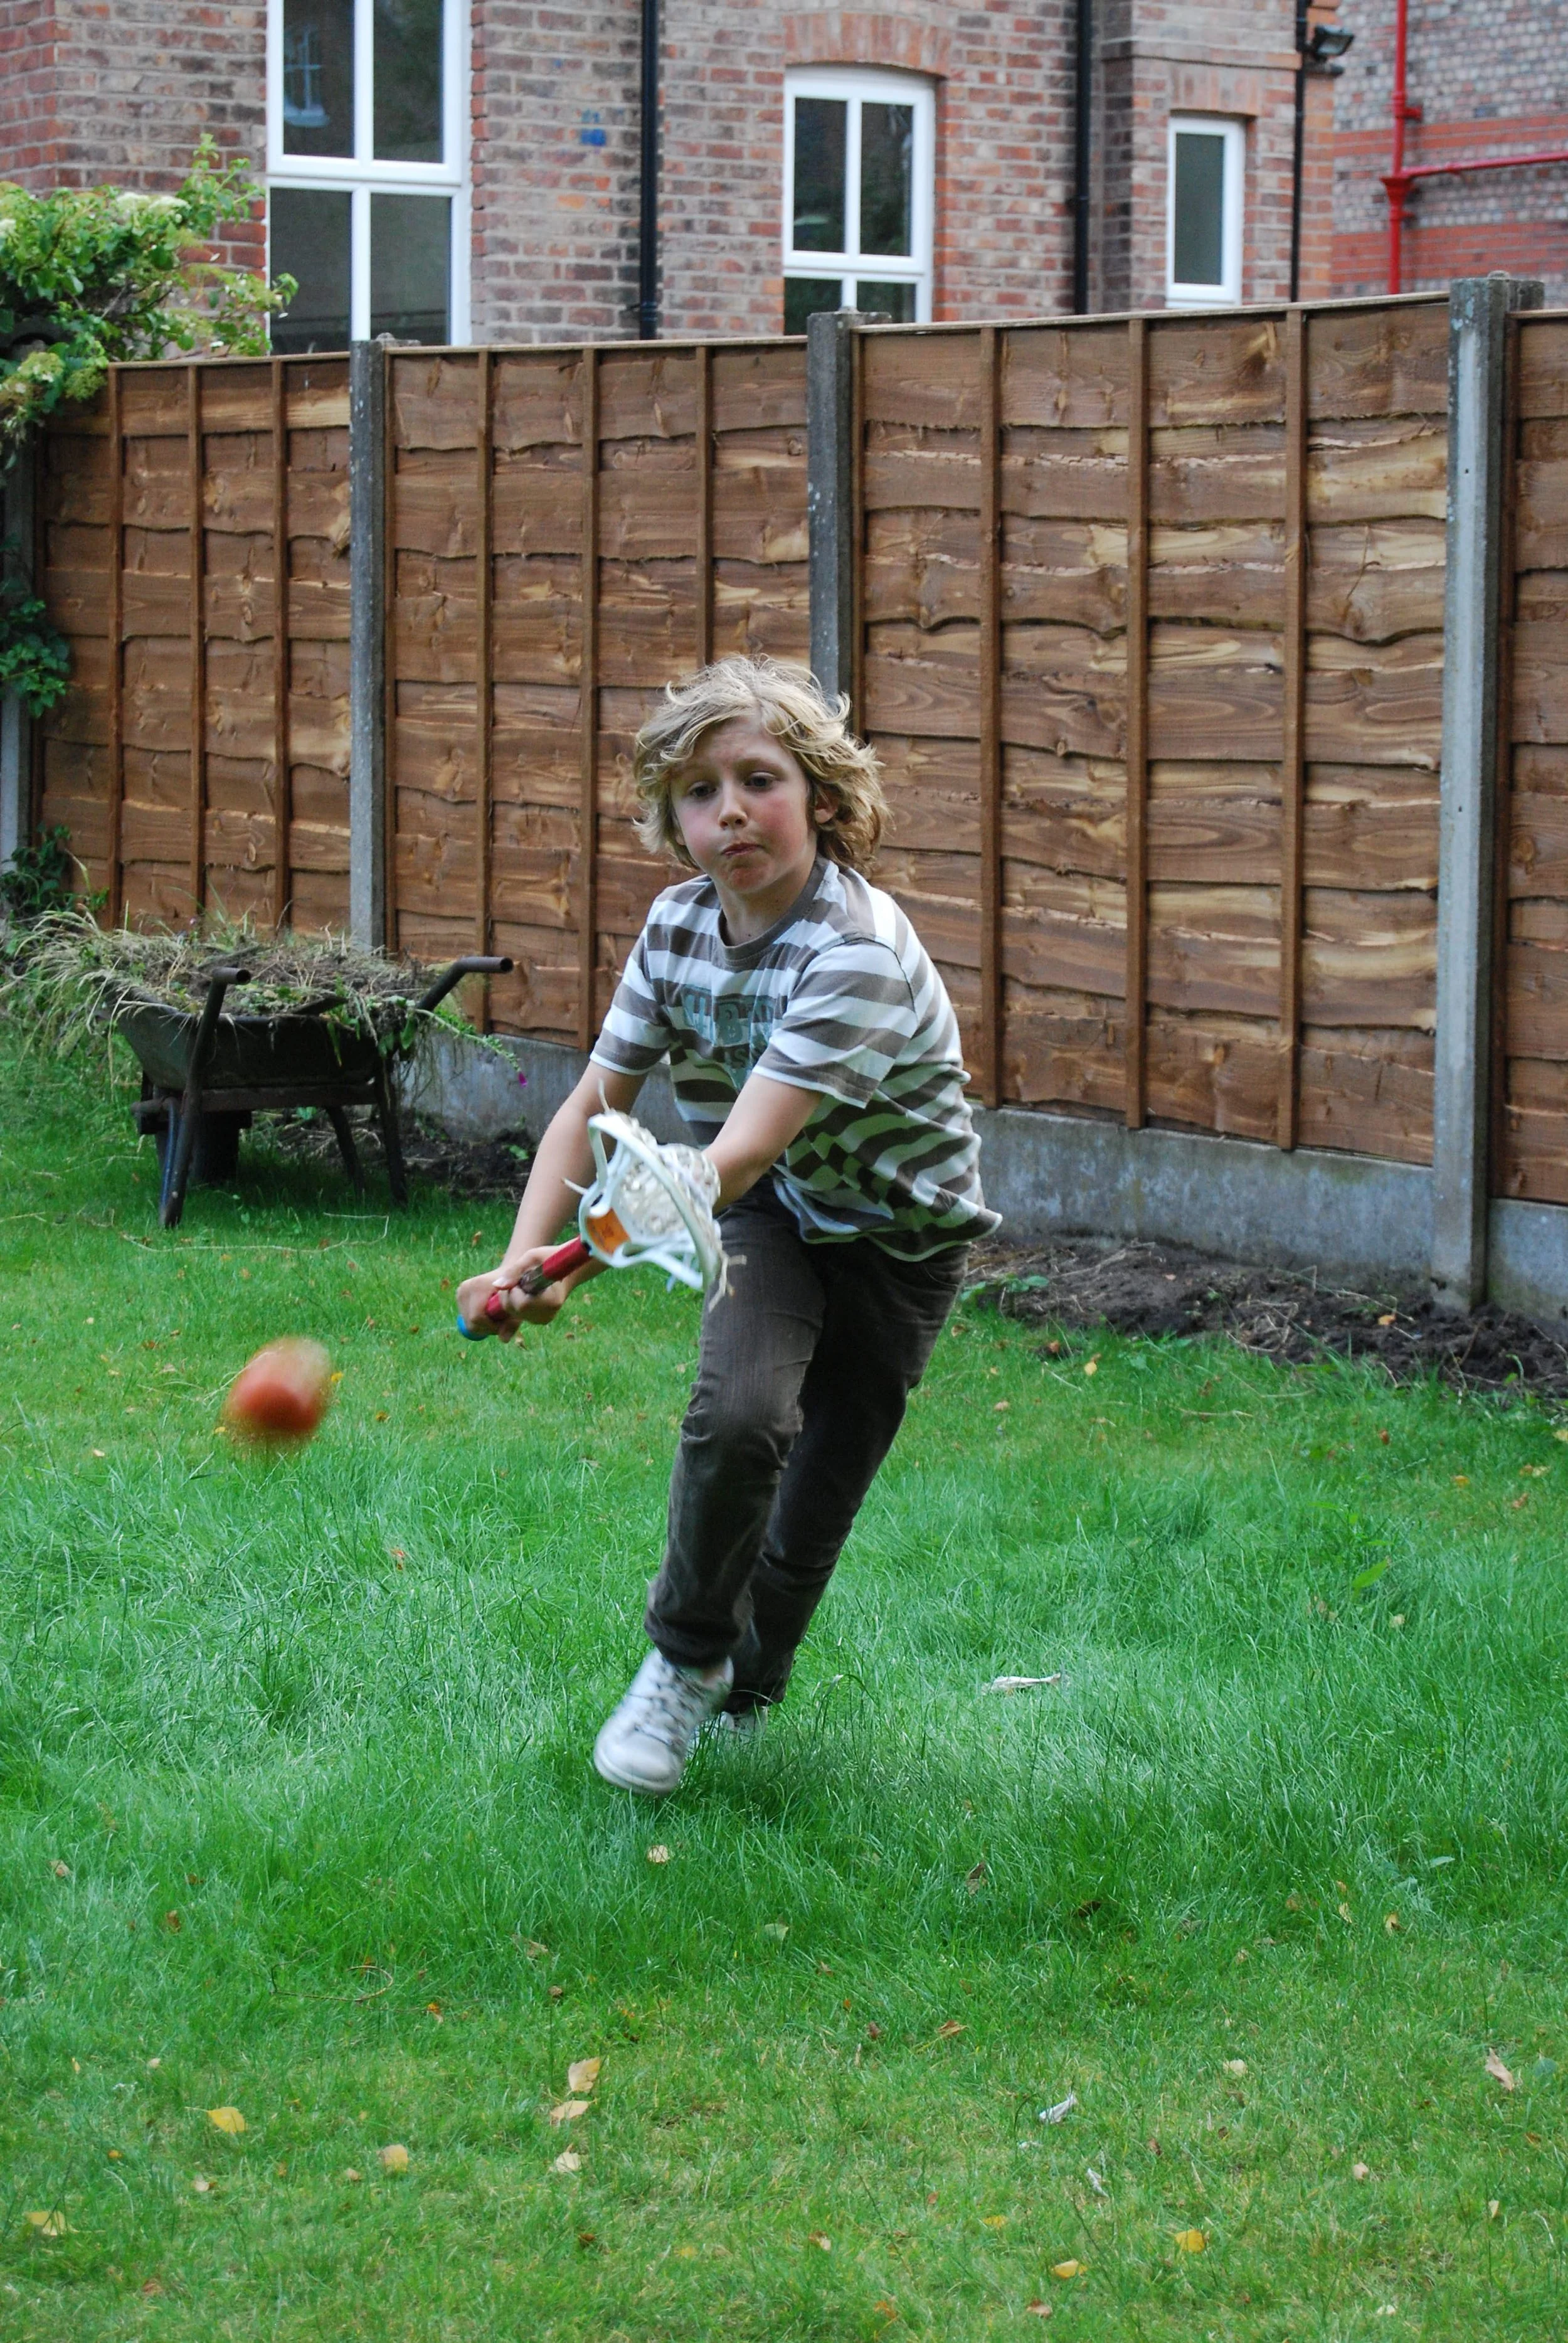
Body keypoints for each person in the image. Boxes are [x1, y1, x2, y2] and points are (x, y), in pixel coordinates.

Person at [457, 656, 999, 1794]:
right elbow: (592, 1104)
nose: (732, 811)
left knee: (809, 1508)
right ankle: (684, 1661)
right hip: (766, 1216)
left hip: (899, 1238)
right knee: (742, 1416)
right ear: (675, 822)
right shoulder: (674, 929)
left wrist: (579, 1266)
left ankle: (742, 1694)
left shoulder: (855, 948)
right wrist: (523, 1260)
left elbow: (738, 1148)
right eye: (700, 792)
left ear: (823, 800)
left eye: (760, 779)